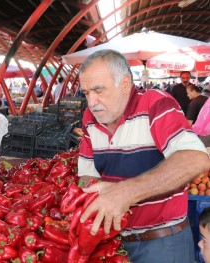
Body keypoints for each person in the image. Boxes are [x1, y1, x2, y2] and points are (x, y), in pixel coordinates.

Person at [76, 49, 209, 263]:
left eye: (98, 90)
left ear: (126, 84)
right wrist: (95, 187)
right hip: (114, 241)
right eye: (86, 93)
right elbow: (85, 174)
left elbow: (195, 157)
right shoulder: (90, 119)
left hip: (163, 244)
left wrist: (126, 192)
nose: (91, 102)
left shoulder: (155, 104)